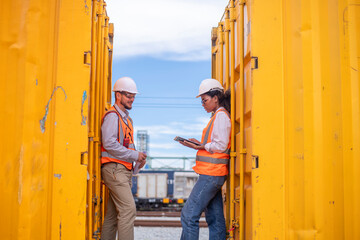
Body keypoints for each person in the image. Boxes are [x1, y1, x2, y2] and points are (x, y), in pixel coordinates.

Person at [178, 78, 231, 240]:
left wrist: (201, 146)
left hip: (211, 175)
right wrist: (200, 144)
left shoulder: (221, 116)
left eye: (205, 100)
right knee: (215, 218)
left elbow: (221, 145)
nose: (203, 104)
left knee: (188, 215)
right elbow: (215, 143)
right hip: (214, 174)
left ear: (216, 98)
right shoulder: (218, 116)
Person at [100, 77, 147, 240]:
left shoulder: (127, 120)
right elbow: (109, 143)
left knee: (113, 218)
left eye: (134, 96)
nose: (132, 99)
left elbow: (127, 148)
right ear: (118, 95)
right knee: (128, 210)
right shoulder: (113, 116)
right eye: (129, 95)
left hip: (122, 171)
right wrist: (135, 155)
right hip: (114, 170)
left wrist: (138, 162)